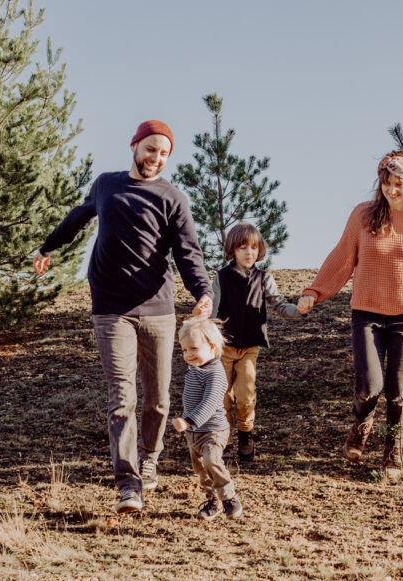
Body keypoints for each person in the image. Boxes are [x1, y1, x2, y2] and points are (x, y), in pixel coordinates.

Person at [33, 120, 212, 514]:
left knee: (159, 400)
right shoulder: (106, 184)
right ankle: (128, 484)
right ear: (134, 146)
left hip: (157, 309)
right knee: (121, 397)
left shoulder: (172, 198)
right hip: (111, 308)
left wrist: (202, 291)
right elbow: (78, 218)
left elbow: (188, 252)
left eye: (164, 153)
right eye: (150, 149)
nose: (156, 158)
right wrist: (48, 247)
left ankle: (150, 455)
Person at [297, 151, 403, 481]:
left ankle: (393, 450)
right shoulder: (363, 216)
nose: (391, 190)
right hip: (366, 313)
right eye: (386, 182)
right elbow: (342, 257)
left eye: (399, 184)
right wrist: (314, 291)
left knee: (398, 390)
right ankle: (362, 422)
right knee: (369, 386)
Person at [211, 222, 302, 461]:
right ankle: (223, 437)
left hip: (250, 347)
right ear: (232, 250)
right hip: (223, 347)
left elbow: (279, 304)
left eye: (253, 247)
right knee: (222, 395)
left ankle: (245, 434)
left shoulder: (264, 279)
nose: (249, 252)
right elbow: (212, 311)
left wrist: (300, 310)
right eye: (242, 247)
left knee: (246, 392)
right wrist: (206, 336)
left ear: (259, 250)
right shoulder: (221, 278)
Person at [171, 317, 243, 520]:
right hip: (193, 433)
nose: (188, 355)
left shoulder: (216, 373)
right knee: (201, 470)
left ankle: (230, 498)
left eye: (193, 348)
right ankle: (214, 501)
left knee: (212, 460)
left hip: (212, 430)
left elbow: (210, 402)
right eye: (184, 350)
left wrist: (188, 421)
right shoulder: (195, 368)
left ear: (212, 348)